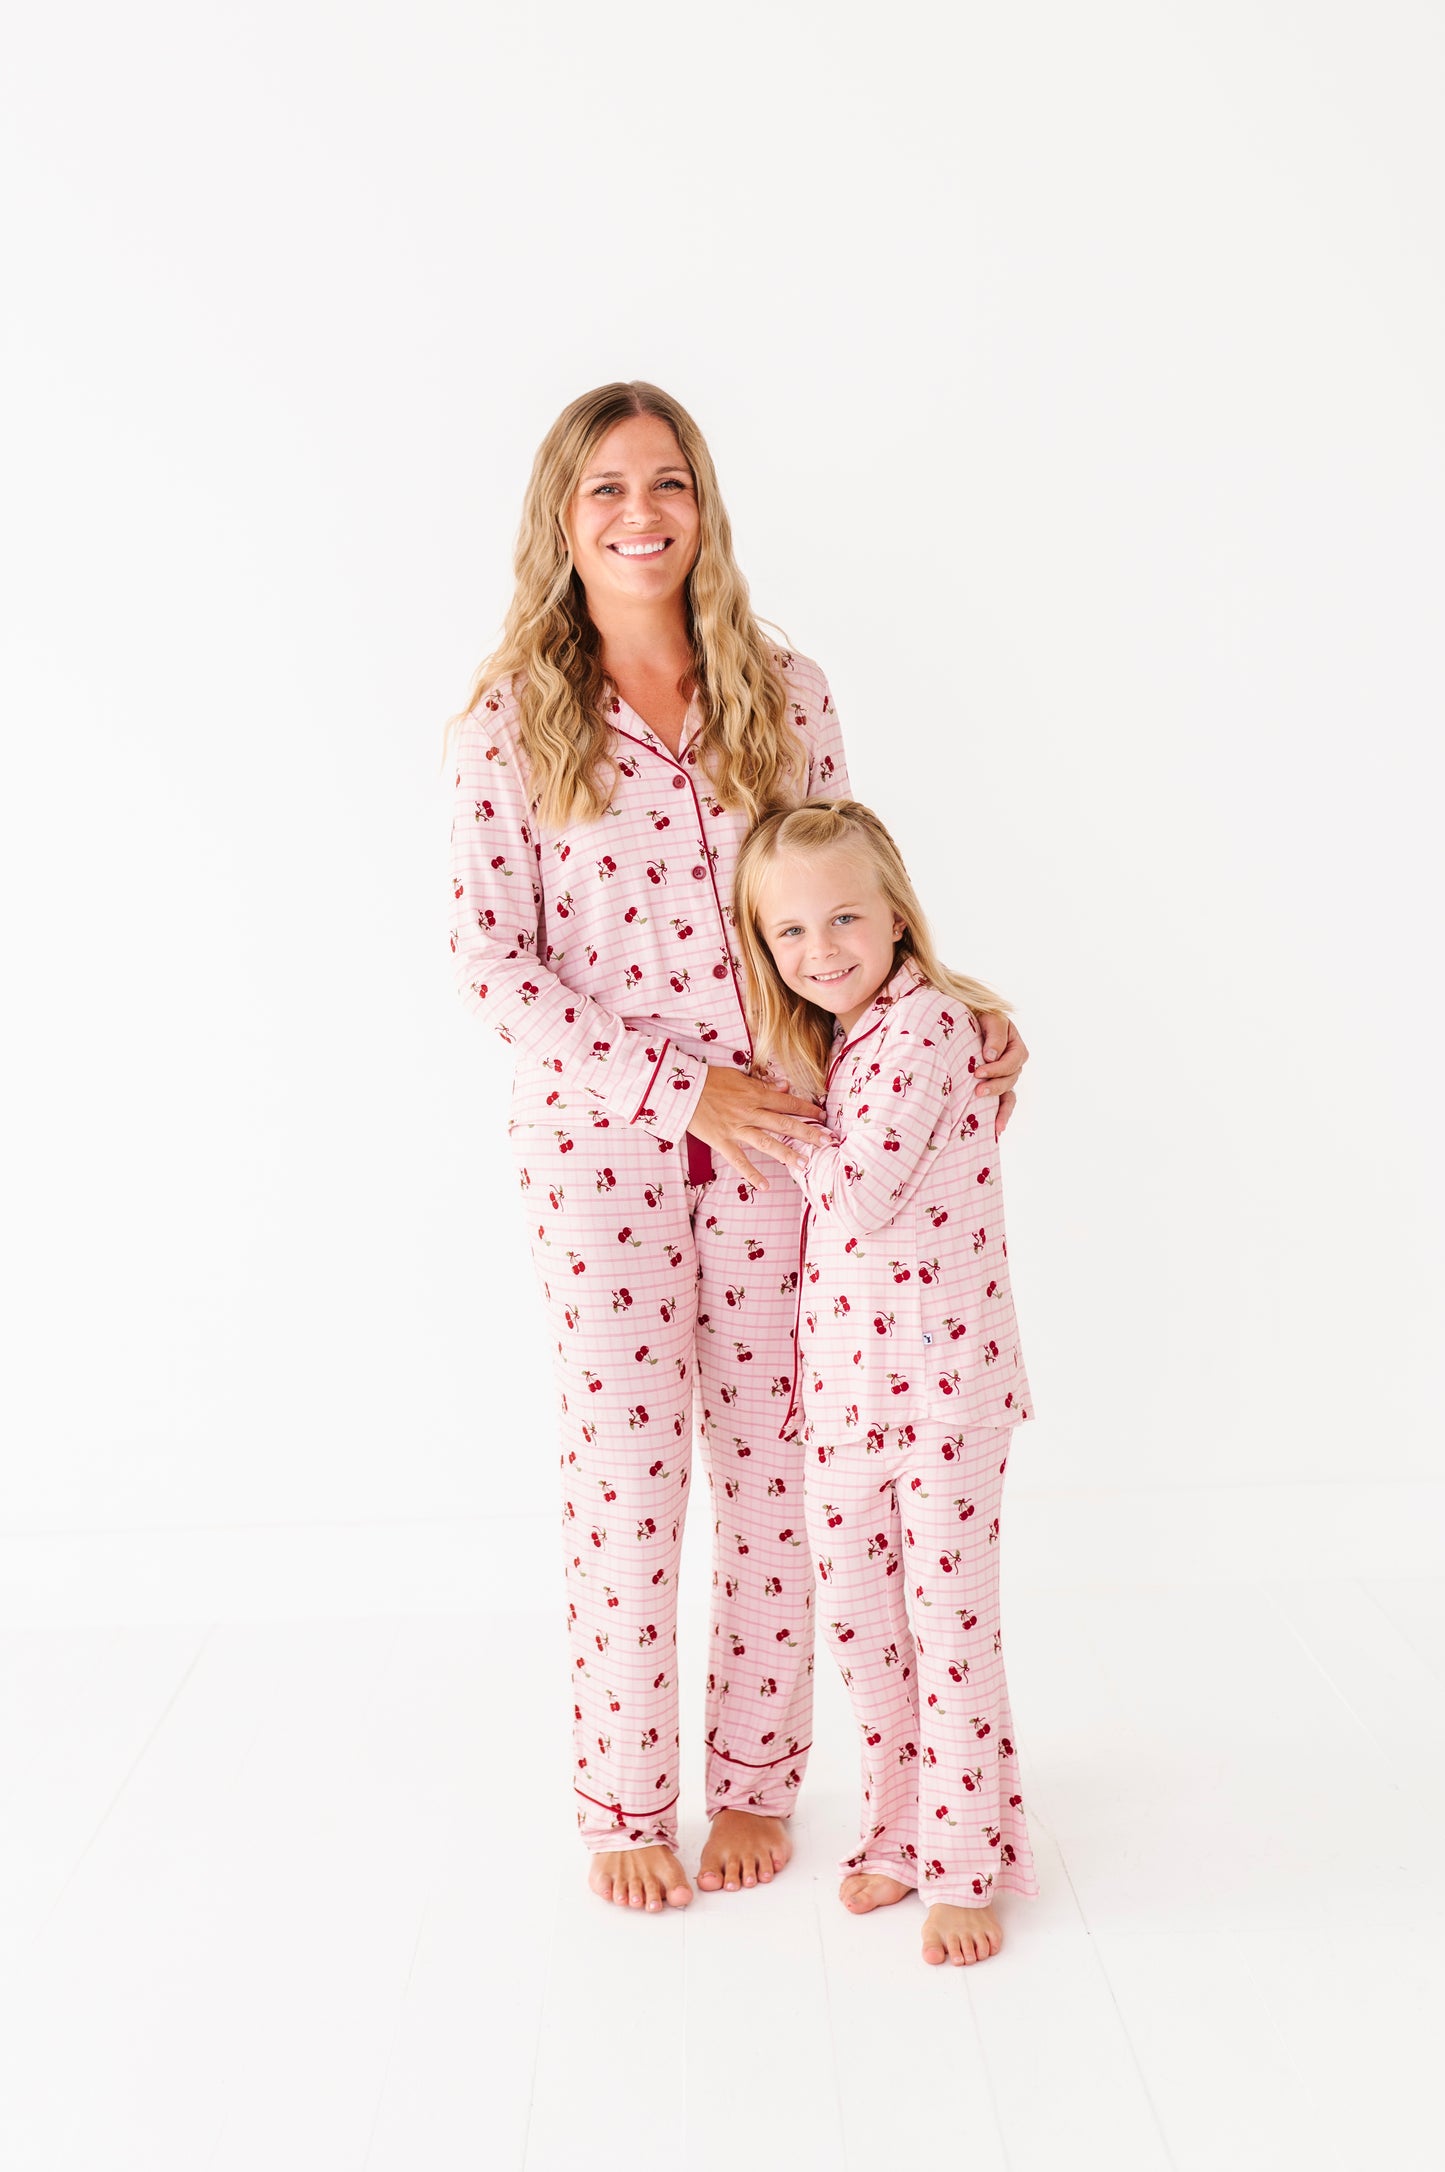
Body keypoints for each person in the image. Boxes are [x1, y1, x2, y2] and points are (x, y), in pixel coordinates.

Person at [445, 381, 1030, 1914]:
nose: (640, 513)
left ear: (702, 504)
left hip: (788, 1147)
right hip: (599, 1161)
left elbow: (846, 898)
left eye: (668, 482)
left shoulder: (786, 691)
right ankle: (625, 1801)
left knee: (779, 1471)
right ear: (562, 520)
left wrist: (957, 1012)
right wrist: (673, 1090)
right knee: (628, 1481)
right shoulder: (510, 722)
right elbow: (490, 963)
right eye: (605, 489)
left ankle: (759, 1785)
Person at [732, 796, 1037, 1965]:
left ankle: (965, 1863)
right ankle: (900, 1831)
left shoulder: (931, 1029)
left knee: (948, 1629)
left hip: (945, 1387)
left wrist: (779, 1124)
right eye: (789, 932)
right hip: (847, 1396)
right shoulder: (842, 1040)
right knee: (864, 1628)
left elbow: (859, 1195)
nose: (820, 950)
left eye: (843, 918)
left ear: (895, 915)